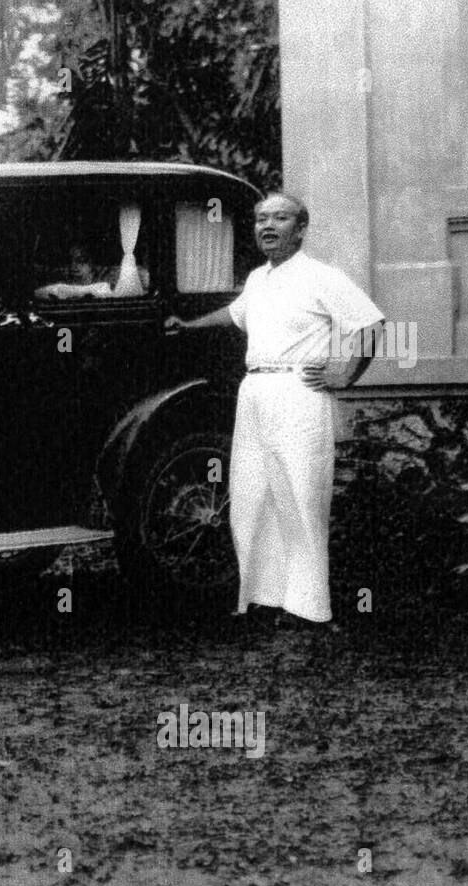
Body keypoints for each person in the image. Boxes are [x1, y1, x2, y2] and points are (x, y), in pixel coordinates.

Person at [164, 193, 385, 630]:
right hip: (255, 392)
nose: (268, 226)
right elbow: (234, 314)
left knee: (302, 497)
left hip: (298, 392)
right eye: (261, 218)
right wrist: (188, 326)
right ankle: (265, 597)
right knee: (251, 497)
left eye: (280, 218)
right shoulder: (257, 279)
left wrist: (346, 376)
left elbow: (372, 324)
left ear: (300, 228)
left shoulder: (323, 276)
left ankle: (310, 609)